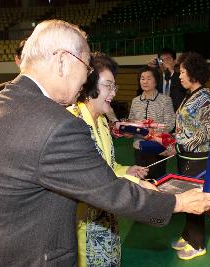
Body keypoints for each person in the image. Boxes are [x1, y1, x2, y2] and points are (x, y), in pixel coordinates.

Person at [0, 20, 210, 266]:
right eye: (86, 66)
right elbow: (109, 192)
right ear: (62, 61)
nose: (87, 79)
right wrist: (176, 202)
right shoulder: (55, 123)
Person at [67, 52, 157, 266]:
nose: (113, 93)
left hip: (106, 218)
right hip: (84, 225)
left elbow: (107, 167)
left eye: (114, 87)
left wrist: (127, 170)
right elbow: (91, 182)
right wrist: (139, 185)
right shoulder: (72, 124)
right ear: (89, 85)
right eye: (108, 86)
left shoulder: (101, 123)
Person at [162, 52, 210, 260]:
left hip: (197, 157)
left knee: (195, 199)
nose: (180, 76)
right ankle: (187, 234)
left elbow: (203, 134)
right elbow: (184, 126)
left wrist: (175, 142)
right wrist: (174, 142)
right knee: (186, 196)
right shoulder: (190, 95)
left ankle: (197, 243)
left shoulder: (206, 97)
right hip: (185, 155)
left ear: (194, 72)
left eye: (183, 72)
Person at [129, 65, 175, 179]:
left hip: (157, 147)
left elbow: (170, 124)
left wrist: (151, 132)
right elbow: (131, 122)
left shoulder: (165, 100)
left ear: (156, 81)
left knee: (157, 180)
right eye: (142, 78)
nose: (145, 81)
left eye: (149, 78)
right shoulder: (135, 101)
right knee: (140, 180)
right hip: (138, 147)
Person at [148, 48, 186, 112]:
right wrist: (149, 69)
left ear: (174, 62)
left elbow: (180, 96)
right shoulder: (155, 79)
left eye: (168, 59)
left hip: (176, 115)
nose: (164, 62)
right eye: (161, 60)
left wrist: (170, 72)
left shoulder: (181, 78)